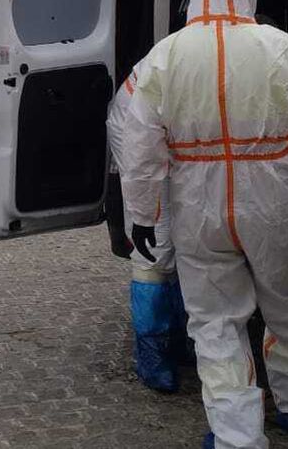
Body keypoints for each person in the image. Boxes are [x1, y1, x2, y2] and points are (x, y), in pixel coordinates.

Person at [112, 0, 288, 449]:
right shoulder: (284, 49)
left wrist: (143, 215)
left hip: (198, 203)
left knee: (215, 322)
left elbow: (139, 146)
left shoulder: (167, 54)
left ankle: (237, 436)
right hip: (275, 199)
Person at [108, 82, 187, 393]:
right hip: (142, 120)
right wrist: (142, 218)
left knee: (186, 232)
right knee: (156, 246)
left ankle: (181, 338)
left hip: (171, 119)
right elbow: (143, 169)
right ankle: (155, 355)